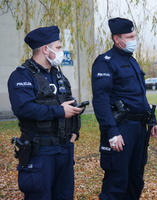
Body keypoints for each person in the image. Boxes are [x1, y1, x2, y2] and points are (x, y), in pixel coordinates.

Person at [7, 26, 83, 200]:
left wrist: (74, 131)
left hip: (64, 150)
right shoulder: (22, 76)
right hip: (40, 151)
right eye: (58, 48)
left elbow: (66, 102)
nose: (61, 52)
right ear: (44, 49)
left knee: (64, 196)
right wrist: (59, 111)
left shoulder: (58, 75)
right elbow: (23, 108)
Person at [92, 17, 157, 200]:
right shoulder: (105, 62)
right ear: (116, 39)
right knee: (117, 181)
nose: (133, 40)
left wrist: (152, 120)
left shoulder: (132, 61)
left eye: (134, 36)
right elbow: (101, 99)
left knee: (135, 179)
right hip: (120, 128)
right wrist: (111, 131)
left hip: (138, 129)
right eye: (129, 36)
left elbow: (138, 94)